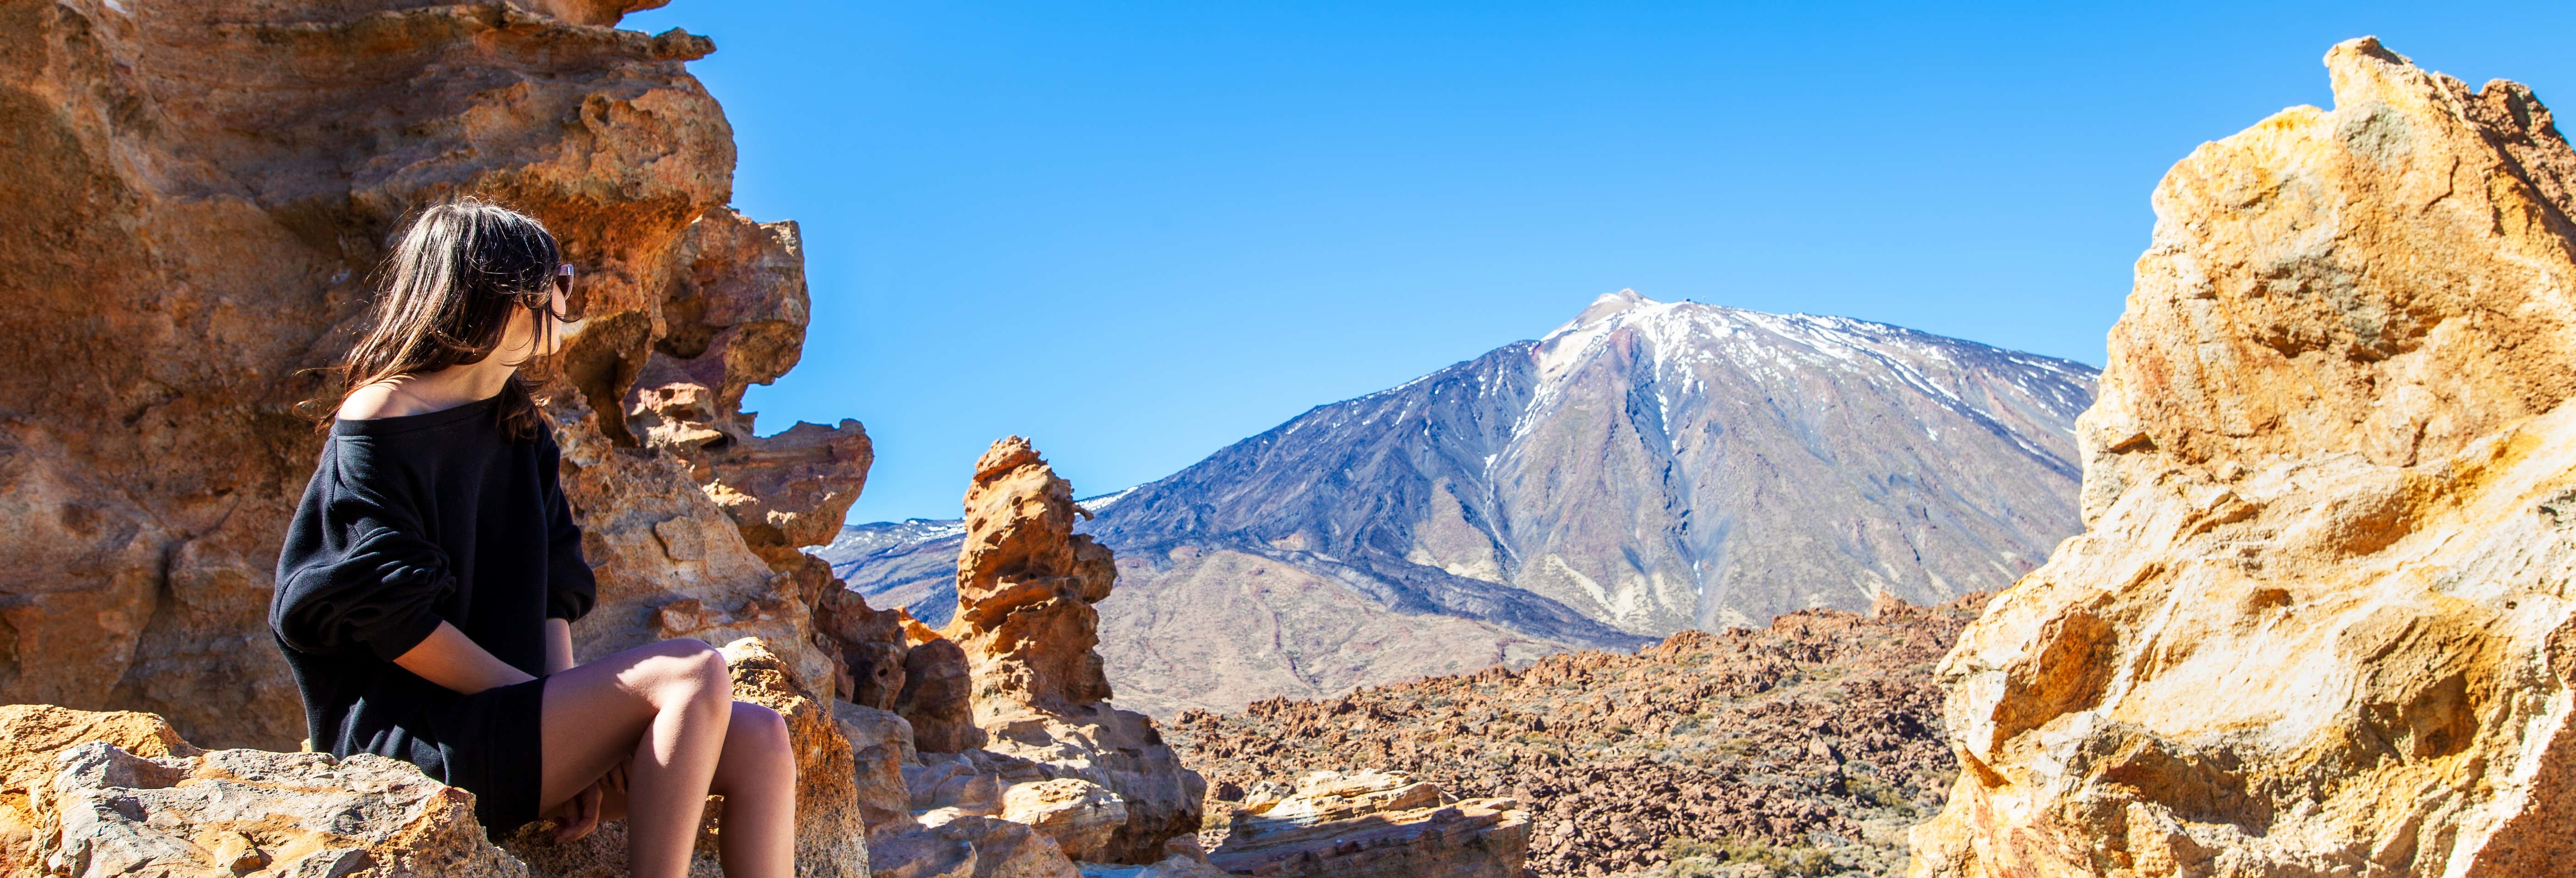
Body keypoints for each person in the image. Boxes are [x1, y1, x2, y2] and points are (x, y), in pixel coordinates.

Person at [269, 199, 796, 878]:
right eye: (558, 278)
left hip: (511, 727)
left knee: (763, 738)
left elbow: (554, 589)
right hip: (417, 741)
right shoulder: (380, 416)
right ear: (497, 292)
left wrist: (568, 729)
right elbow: (396, 621)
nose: (569, 294)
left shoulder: (519, 428)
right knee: (695, 672)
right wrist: (539, 709)